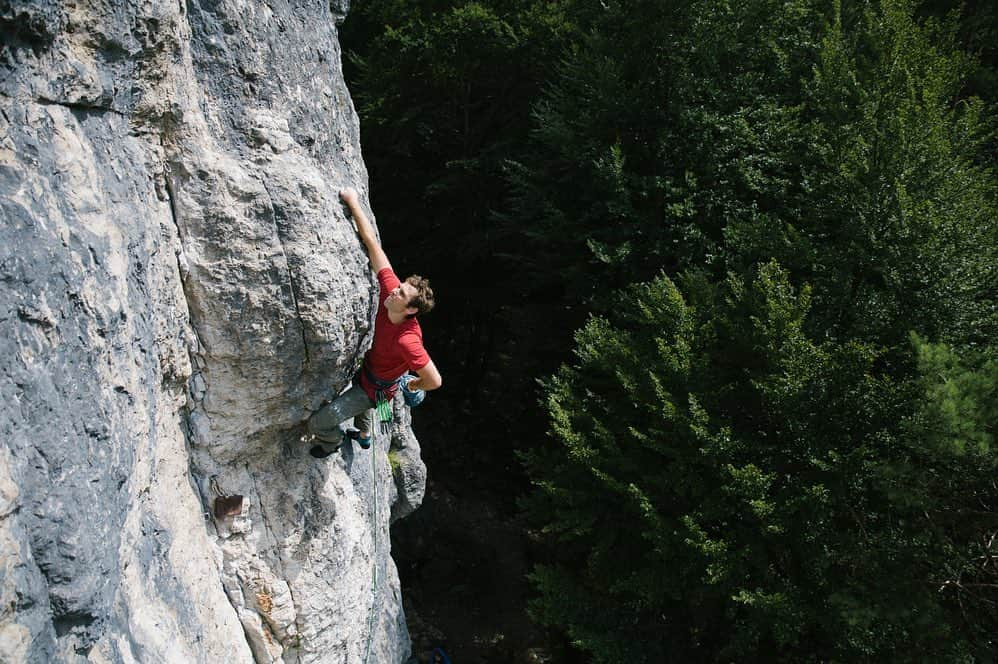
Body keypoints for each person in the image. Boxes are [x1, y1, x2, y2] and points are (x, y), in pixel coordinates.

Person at [307, 187, 442, 457]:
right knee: (380, 405)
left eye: (402, 293)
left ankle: (331, 443)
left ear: (411, 310)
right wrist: (353, 201)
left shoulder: (407, 339)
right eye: (400, 286)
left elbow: (434, 380)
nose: (395, 291)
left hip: (376, 388)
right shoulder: (390, 294)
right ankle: (366, 436)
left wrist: (415, 385)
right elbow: (371, 243)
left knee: (319, 422)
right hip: (379, 381)